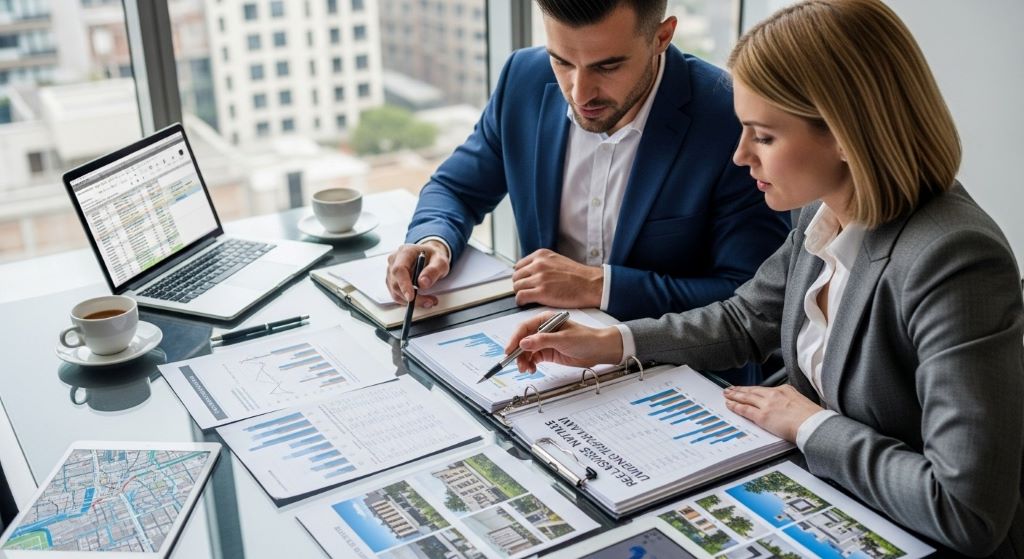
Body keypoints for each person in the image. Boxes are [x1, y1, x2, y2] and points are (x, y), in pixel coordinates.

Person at [503, 0, 1024, 554]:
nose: (739, 155)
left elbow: (966, 510)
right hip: (819, 501)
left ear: (847, 135)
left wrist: (809, 425)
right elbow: (747, 317)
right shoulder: (822, 207)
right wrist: (614, 343)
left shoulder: (955, 260)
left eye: (764, 136)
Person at [385, 0, 790, 383]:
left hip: (682, 376)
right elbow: (456, 188)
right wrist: (433, 240)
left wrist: (601, 285)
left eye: (608, 66)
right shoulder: (523, 78)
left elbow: (748, 298)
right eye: (561, 61)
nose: (580, 93)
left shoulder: (729, 117)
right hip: (538, 361)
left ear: (662, 37)